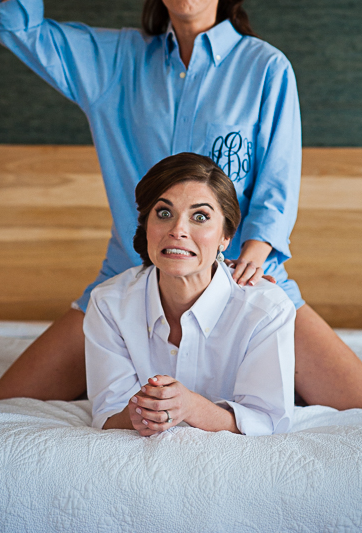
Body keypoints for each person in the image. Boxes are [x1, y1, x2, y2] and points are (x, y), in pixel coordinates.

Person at [0, 0, 362, 411]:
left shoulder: (264, 67)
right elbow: (16, 24)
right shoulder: (116, 64)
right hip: (131, 274)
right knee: (7, 400)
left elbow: (277, 174)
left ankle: (241, 368)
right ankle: (133, 359)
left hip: (242, 273)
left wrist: (259, 249)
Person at [86, 153, 294, 437]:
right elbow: (108, 413)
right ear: (146, 224)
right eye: (164, 213)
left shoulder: (267, 309)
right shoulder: (108, 303)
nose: (178, 230)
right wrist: (142, 411)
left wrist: (191, 407)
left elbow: (268, 422)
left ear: (225, 237)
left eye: (200, 216)